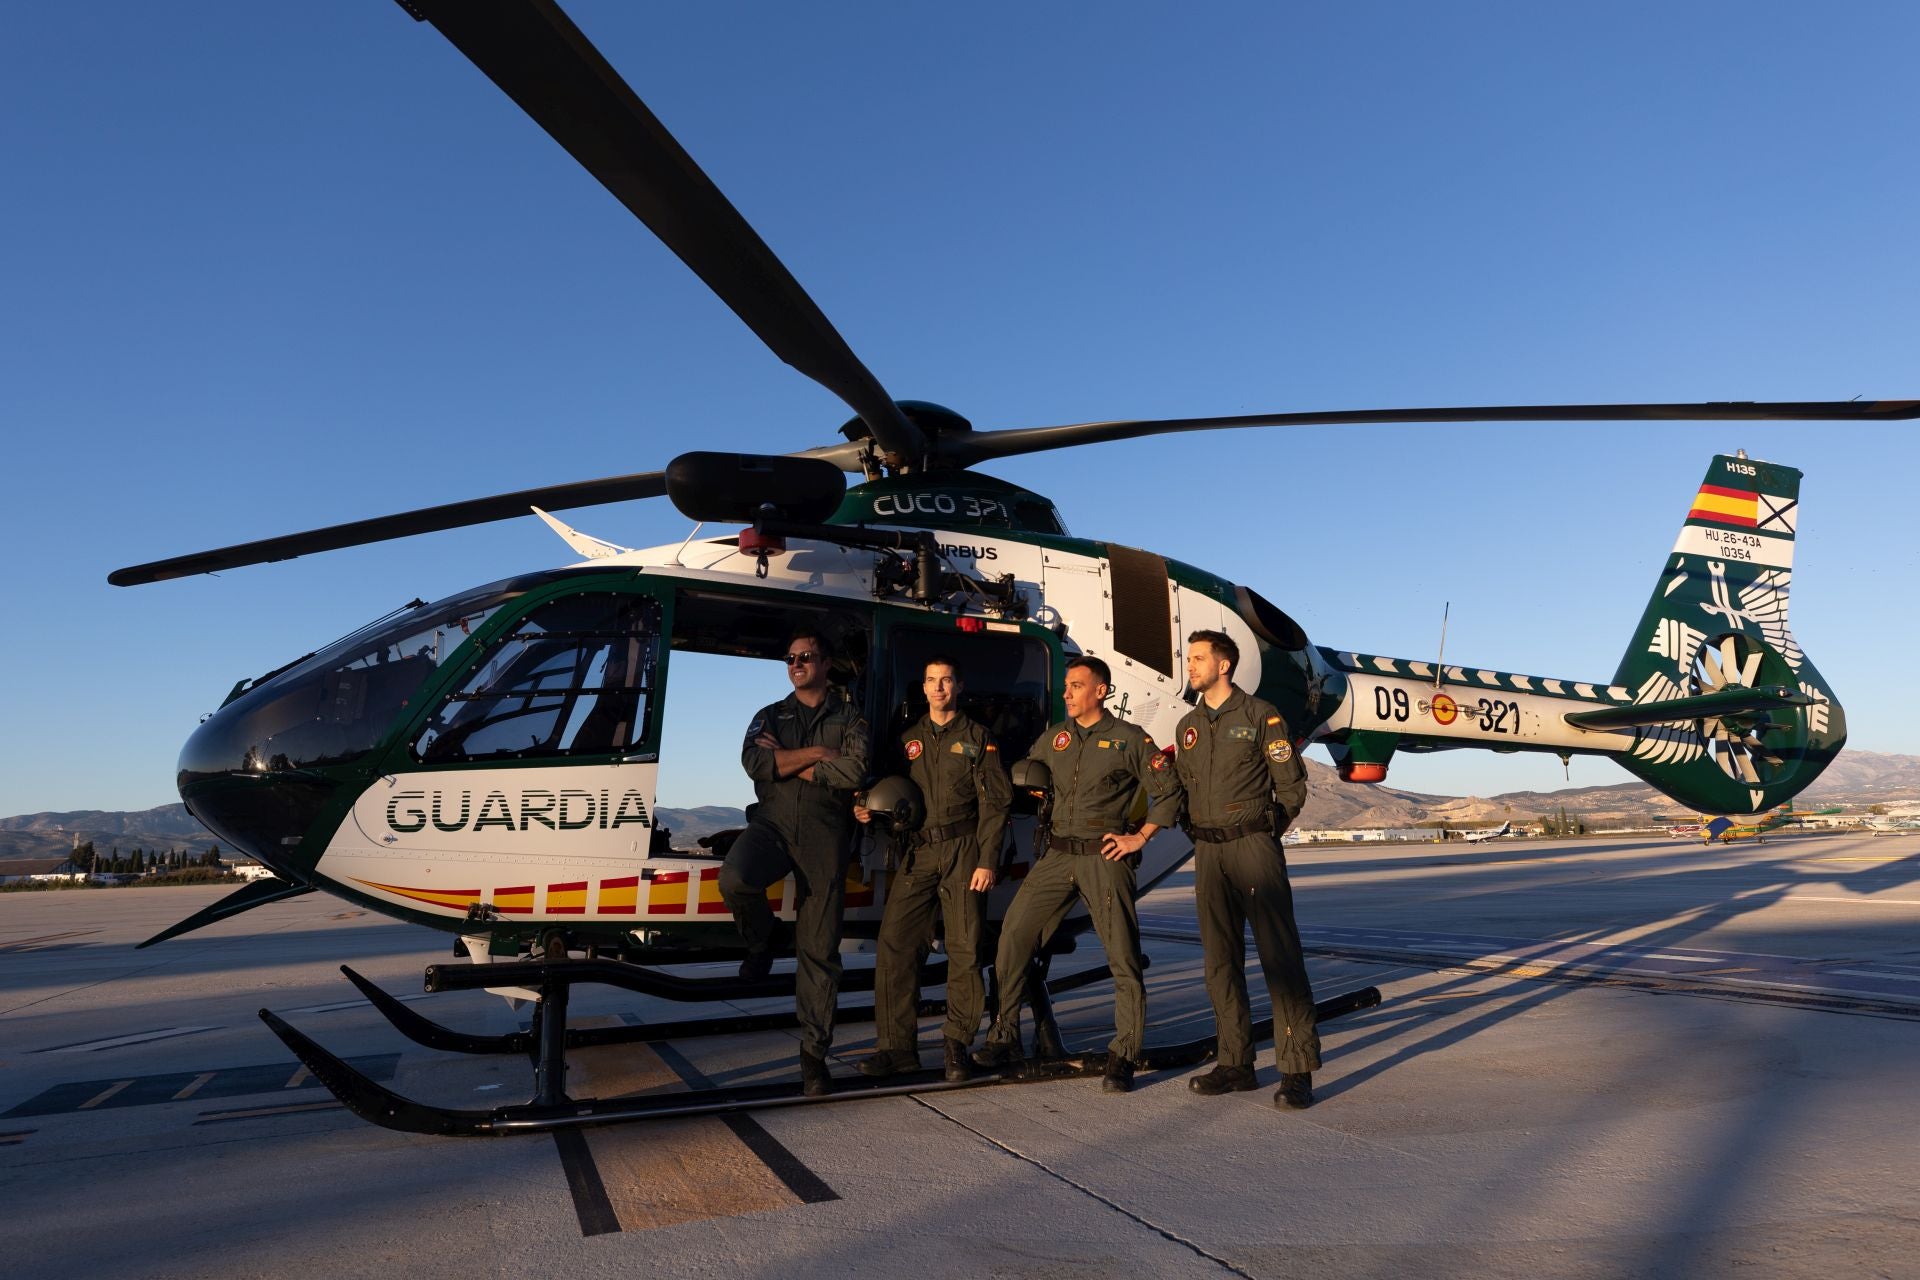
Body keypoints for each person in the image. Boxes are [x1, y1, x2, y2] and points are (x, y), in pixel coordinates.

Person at [974, 655, 1177, 1093]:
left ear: (1101, 691)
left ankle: (1124, 1053)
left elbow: (1169, 790)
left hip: (1105, 857)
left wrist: (1139, 837)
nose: (1066, 693)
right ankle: (1004, 1035)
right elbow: (1029, 774)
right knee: (1013, 936)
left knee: (1122, 956)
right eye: (1066, 686)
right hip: (1058, 855)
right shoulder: (1056, 738)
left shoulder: (1129, 739)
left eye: (1076, 686)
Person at [1168, 629, 1320, 1109]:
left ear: (1224, 665)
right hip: (1208, 853)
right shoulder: (1188, 725)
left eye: (1198, 658)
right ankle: (1235, 1063)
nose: (1190, 665)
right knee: (1220, 962)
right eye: (1189, 658)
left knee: (1279, 956)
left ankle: (1296, 1068)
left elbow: (1290, 786)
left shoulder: (1260, 715)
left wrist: (1266, 829)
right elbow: (1183, 789)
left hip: (1253, 846)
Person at [722, 628, 870, 1097]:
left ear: (826, 664)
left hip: (826, 837)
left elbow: (855, 771)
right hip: (773, 824)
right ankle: (763, 940)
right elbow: (754, 763)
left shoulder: (850, 717)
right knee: (736, 879)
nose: (796, 664)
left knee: (820, 951)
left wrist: (788, 761)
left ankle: (814, 1056)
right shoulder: (770, 714)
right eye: (790, 658)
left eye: (806, 656)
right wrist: (819, 755)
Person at [854, 655, 1012, 1083]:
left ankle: (956, 1043)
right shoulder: (907, 739)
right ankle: (897, 1048)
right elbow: (885, 788)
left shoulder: (978, 738)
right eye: (931, 680)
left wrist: (987, 861)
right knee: (895, 945)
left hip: (964, 849)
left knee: (964, 948)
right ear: (923, 688)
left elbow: (996, 804)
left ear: (958, 686)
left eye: (946, 680)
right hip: (919, 851)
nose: (939, 687)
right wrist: (865, 807)